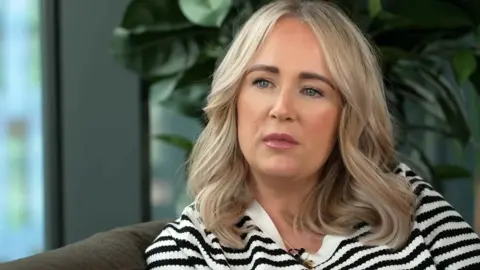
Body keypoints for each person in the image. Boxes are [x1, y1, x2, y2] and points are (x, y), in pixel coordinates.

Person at [145, 0, 480, 269]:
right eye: (263, 82)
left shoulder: (408, 204)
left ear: (347, 114)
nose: (281, 109)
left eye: (312, 90)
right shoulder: (188, 252)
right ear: (233, 100)